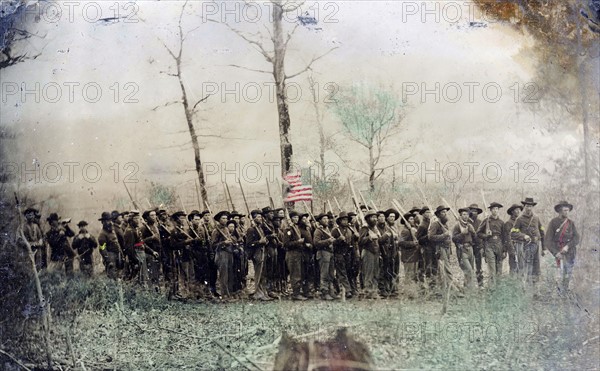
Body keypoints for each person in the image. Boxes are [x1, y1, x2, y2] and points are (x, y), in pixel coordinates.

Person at [545, 201, 580, 293]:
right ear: (560, 211)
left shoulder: (571, 223)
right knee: (557, 274)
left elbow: (576, 238)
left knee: (568, 272)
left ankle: (564, 292)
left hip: (570, 252)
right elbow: (548, 240)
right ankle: (556, 292)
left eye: (568, 210)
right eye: (565, 210)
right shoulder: (553, 222)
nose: (567, 212)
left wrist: (568, 246)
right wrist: (555, 253)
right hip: (557, 252)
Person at [511, 197, 546, 286]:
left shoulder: (536, 218)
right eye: (527, 206)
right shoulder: (519, 219)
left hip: (537, 245)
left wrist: (544, 248)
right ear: (524, 206)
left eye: (530, 206)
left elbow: (542, 232)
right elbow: (513, 233)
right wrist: (524, 236)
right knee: (528, 267)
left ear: (532, 207)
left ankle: (535, 289)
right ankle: (528, 288)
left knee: (537, 267)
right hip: (527, 246)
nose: (529, 208)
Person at [245, 210, 272, 301]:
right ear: (253, 218)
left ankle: (263, 292)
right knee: (259, 274)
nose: (260, 219)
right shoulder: (251, 229)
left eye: (261, 217)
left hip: (263, 251)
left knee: (263, 274)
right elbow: (249, 243)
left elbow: (268, 233)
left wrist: (265, 241)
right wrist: (259, 242)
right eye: (258, 217)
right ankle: (258, 293)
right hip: (256, 253)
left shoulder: (260, 228)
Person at [477, 202, 505, 287]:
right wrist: (486, 235)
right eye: (493, 209)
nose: (495, 211)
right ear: (490, 210)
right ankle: (491, 289)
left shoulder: (501, 222)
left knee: (499, 269)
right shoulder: (486, 221)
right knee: (492, 269)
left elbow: (504, 237)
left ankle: (498, 289)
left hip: (499, 246)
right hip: (489, 246)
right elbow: (478, 233)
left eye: (496, 209)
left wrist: (504, 250)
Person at [428, 206, 453, 294]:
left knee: (446, 269)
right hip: (440, 249)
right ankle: (447, 289)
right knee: (444, 270)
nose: (445, 214)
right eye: (443, 212)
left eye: (445, 212)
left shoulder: (445, 224)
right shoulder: (435, 224)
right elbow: (430, 237)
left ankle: (447, 288)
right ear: (438, 214)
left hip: (446, 249)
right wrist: (444, 235)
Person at [331, 212, 356, 299]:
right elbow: (331, 243)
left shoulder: (350, 230)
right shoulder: (335, 230)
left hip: (348, 254)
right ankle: (347, 290)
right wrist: (338, 240)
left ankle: (349, 289)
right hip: (339, 254)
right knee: (342, 272)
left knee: (348, 271)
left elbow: (353, 241)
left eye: (346, 220)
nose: (345, 221)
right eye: (343, 220)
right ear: (340, 221)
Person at [283, 211, 307, 300]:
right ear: (291, 218)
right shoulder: (288, 229)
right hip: (292, 254)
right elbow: (286, 244)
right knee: (295, 274)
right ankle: (296, 294)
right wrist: (298, 242)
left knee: (299, 273)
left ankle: (297, 291)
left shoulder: (296, 228)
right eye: (294, 217)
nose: (296, 219)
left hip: (298, 253)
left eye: (297, 217)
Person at [211, 211, 235, 299]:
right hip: (221, 254)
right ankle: (224, 294)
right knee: (223, 275)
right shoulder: (216, 231)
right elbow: (213, 245)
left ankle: (229, 293)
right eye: (223, 218)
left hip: (229, 253)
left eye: (226, 218)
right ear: (219, 220)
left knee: (229, 274)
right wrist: (223, 243)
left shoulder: (226, 229)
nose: (225, 220)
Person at [313, 213, 336, 300]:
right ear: (320, 221)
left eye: (327, 218)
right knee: (324, 274)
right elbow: (316, 243)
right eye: (324, 219)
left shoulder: (327, 229)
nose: (326, 220)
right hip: (323, 253)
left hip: (329, 253)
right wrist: (328, 241)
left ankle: (331, 291)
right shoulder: (318, 231)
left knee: (331, 274)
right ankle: (324, 292)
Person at [452, 208, 477, 290]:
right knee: (468, 270)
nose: (466, 216)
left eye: (467, 214)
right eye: (464, 214)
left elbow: (475, 238)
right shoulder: (457, 225)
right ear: (460, 215)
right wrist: (462, 234)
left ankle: (466, 288)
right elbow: (454, 239)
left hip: (470, 249)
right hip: (462, 250)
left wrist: (473, 232)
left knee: (471, 270)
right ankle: (471, 290)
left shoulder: (469, 225)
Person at [359, 210, 381, 299]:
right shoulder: (365, 228)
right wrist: (369, 238)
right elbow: (360, 241)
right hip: (368, 252)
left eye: (376, 217)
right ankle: (368, 291)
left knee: (376, 272)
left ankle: (374, 291)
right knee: (369, 273)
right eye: (372, 217)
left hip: (375, 253)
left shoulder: (375, 228)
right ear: (368, 218)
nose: (375, 219)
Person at [380, 208, 400, 297]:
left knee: (395, 270)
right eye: (391, 216)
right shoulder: (385, 227)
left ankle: (393, 288)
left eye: (394, 217)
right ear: (387, 218)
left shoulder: (395, 227)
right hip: (387, 252)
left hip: (395, 252)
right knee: (386, 271)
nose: (392, 218)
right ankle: (386, 288)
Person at [97, 211, 124, 279]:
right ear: (103, 222)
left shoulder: (112, 231)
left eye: (110, 220)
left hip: (117, 255)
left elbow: (117, 243)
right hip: (110, 256)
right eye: (108, 221)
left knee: (119, 276)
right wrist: (108, 260)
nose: (110, 222)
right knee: (112, 277)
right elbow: (102, 249)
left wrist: (121, 254)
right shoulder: (102, 234)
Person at [140, 210, 162, 291]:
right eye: (152, 215)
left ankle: (157, 291)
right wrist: (151, 238)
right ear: (147, 217)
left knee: (157, 273)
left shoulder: (155, 227)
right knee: (151, 275)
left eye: (155, 215)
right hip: (149, 254)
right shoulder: (143, 228)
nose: (154, 217)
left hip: (157, 253)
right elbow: (141, 242)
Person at [416, 207, 436, 288]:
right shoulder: (422, 225)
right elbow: (419, 239)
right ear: (423, 214)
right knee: (427, 267)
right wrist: (427, 236)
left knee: (434, 267)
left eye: (429, 212)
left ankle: (433, 285)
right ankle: (428, 285)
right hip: (426, 248)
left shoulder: (432, 223)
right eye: (426, 212)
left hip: (433, 248)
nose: (428, 214)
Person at [399, 213, 420, 285]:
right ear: (406, 221)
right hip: (408, 257)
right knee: (409, 276)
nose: (413, 220)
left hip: (414, 256)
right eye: (411, 219)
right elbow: (401, 242)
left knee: (414, 275)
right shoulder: (405, 231)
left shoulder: (413, 230)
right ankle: (408, 292)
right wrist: (412, 243)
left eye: (413, 219)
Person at [503, 204, 523, 275]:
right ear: (512, 212)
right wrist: (512, 251)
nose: (518, 211)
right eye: (516, 210)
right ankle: (512, 284)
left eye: (519, 210)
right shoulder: (508, 223)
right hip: (513, 246)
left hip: (521, 247)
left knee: (521, 267)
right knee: (513, 267)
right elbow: (508, 238)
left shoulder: (521, 222)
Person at [468, 204, 484, 287]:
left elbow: (483, 234)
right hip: (469, 246)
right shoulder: (466, 222)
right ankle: (469, 285)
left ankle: (480, 284)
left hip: (478, 246)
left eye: (476, 211)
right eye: (473, 211)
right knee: (470, 266)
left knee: (479, 266)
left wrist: (482, 246)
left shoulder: (480, 222)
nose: (474, 213)